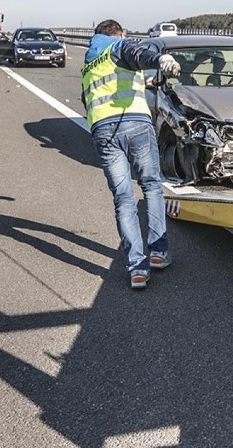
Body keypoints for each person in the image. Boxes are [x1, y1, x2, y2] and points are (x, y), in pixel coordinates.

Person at [82, 19, 181, 289]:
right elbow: (136, 53)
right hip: (135, 124)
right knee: (151, 185)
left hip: (103, 131)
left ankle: (137, 268)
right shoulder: (119, 45)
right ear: (119, 33)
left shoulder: (91, 61)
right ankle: (158, 253)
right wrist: (161, 59)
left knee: (123, 199)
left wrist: (144, 80)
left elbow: (92, 96)